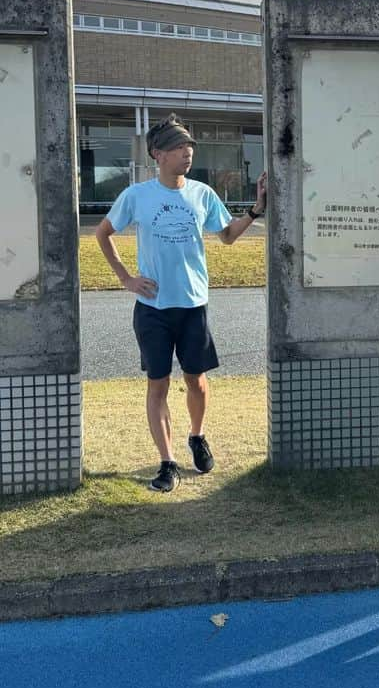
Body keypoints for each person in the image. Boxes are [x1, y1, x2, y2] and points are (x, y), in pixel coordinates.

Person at [94, 113, 267, 492]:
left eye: (189, 146)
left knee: (197, 382)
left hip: (193, 306)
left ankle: (197, 436)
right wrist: (126, 278)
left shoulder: (201, 193)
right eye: (177, 147)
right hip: (153, 309)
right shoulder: (137, 195)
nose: (186, 152)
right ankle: (167, 462)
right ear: (158, 154)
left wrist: (255, 209)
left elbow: (226, 236)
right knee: (158, 385)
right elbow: (103, 233)